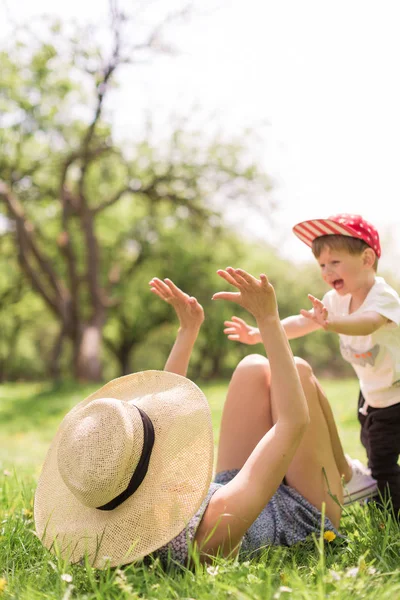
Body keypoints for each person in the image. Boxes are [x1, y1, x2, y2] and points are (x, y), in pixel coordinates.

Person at [34, 267, 344, 570]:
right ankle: (347, 473)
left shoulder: (139, 523)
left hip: (234, 485)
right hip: (303, 510)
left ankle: (344, 466)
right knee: (297, 371)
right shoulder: (213, 527)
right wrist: (268, 319)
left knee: (252, 367)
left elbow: (161, 418)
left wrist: (188, 330)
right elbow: (292, 422)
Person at [224, 214, 400, 516]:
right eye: (322, 265)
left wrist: (332, 324)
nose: (327, 272)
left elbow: (367, 324)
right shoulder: (335, 299)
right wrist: (259, 333)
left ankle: (391, 513)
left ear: (367, 258)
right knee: (374, 454)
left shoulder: (381, 297)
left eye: (335, 262)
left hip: (396, 398)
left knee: (382, 463)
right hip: (372, 397)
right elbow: (302, 322)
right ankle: (380, 494)